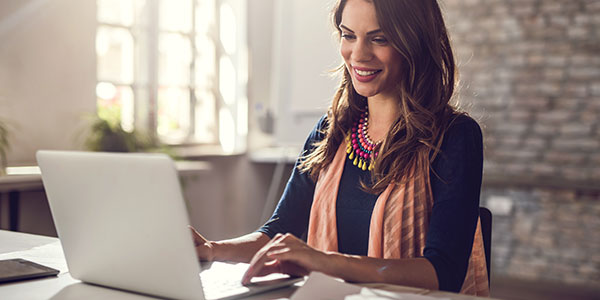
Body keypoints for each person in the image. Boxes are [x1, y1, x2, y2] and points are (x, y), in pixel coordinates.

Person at [190, 0, 489, 296]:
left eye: (379, 38)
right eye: (348, 35)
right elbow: (278, 234)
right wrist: (212, 250)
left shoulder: (455, 136)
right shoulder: (330, 131)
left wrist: (325, 263)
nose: (358, 54)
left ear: (415, 41)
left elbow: (443, 273)